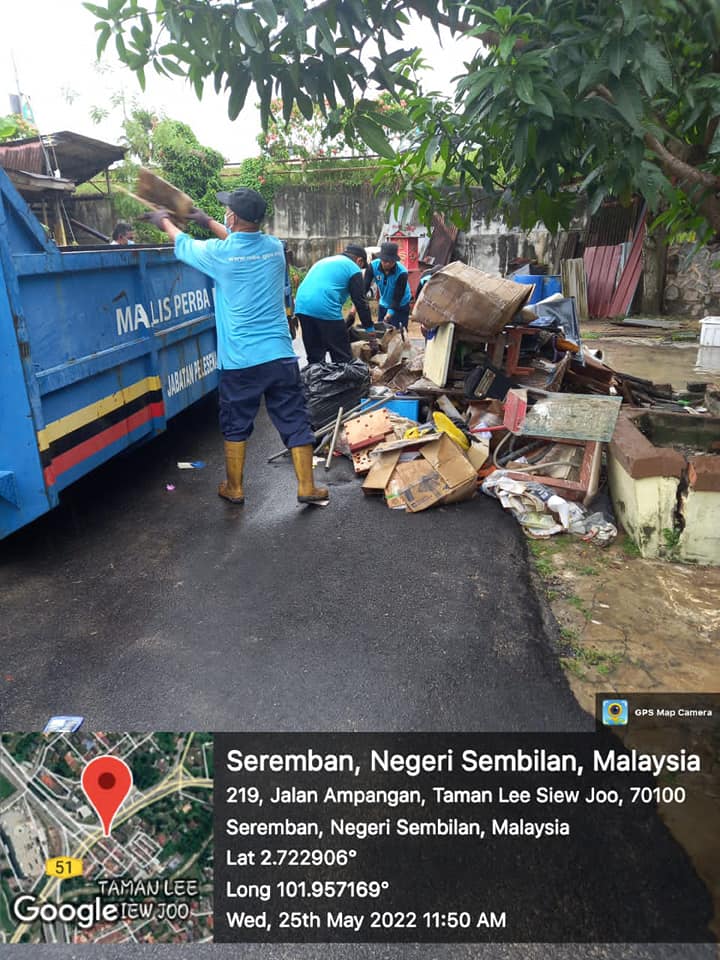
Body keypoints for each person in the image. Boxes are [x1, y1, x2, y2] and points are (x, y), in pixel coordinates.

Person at [144, 189, 328, 506]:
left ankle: (234, 487)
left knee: (236, 422)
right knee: (294, 417)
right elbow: (241, 242)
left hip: (241, 360)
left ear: (234, 217)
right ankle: (307, 486)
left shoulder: (219, 254)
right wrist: (207, 220)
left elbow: (184, 244)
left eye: (227, 210)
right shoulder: (274, 248)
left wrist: (164, 221)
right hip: (280, 355)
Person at [294, 246, 375, 363]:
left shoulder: (325, 261)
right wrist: (370, 329)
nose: (360, 270)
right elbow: (360, 302)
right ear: (359, 261)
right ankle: (342, 374)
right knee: (342, 356)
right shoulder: (353, 268)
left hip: (302, 306)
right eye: (361, 267)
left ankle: (316, 374)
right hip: (324, 307)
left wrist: (351, 314)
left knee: (315, 356)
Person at [365, 241, 411, 330]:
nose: (388, 264)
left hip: (401, 304)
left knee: (399, 332)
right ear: (380, 258)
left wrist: (390, 312)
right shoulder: (372, 267)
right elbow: (365, 287)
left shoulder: (402, 272)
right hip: (384, 302)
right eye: (385, 261)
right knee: (382, 331)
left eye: (391, 261)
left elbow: (397, 297)